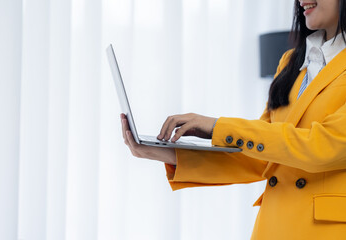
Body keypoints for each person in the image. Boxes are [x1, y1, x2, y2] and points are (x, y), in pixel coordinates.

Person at [120, 0, 346, 239]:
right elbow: (263, 158)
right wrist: (167, 153)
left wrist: (219, 127)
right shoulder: (291, 63)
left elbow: (324, 145)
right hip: (272, 227)